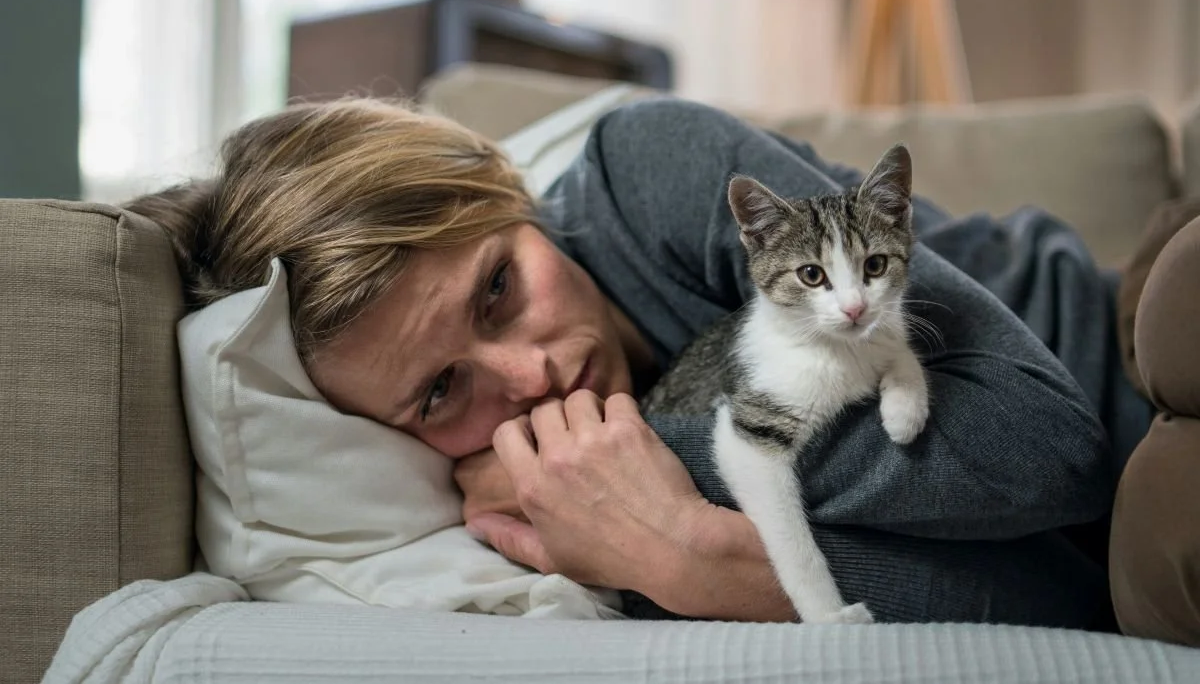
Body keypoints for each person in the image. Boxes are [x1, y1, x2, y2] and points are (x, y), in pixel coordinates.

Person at [129, 94, 1164, 630]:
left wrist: (674, 483)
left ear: (507, 192)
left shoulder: (648, 171)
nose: (528, 378)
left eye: (498, 288)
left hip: (1132, 341)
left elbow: (1051, 447)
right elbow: (1063, 594)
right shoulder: (552, 528)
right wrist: (682, 562)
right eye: (442, 389)